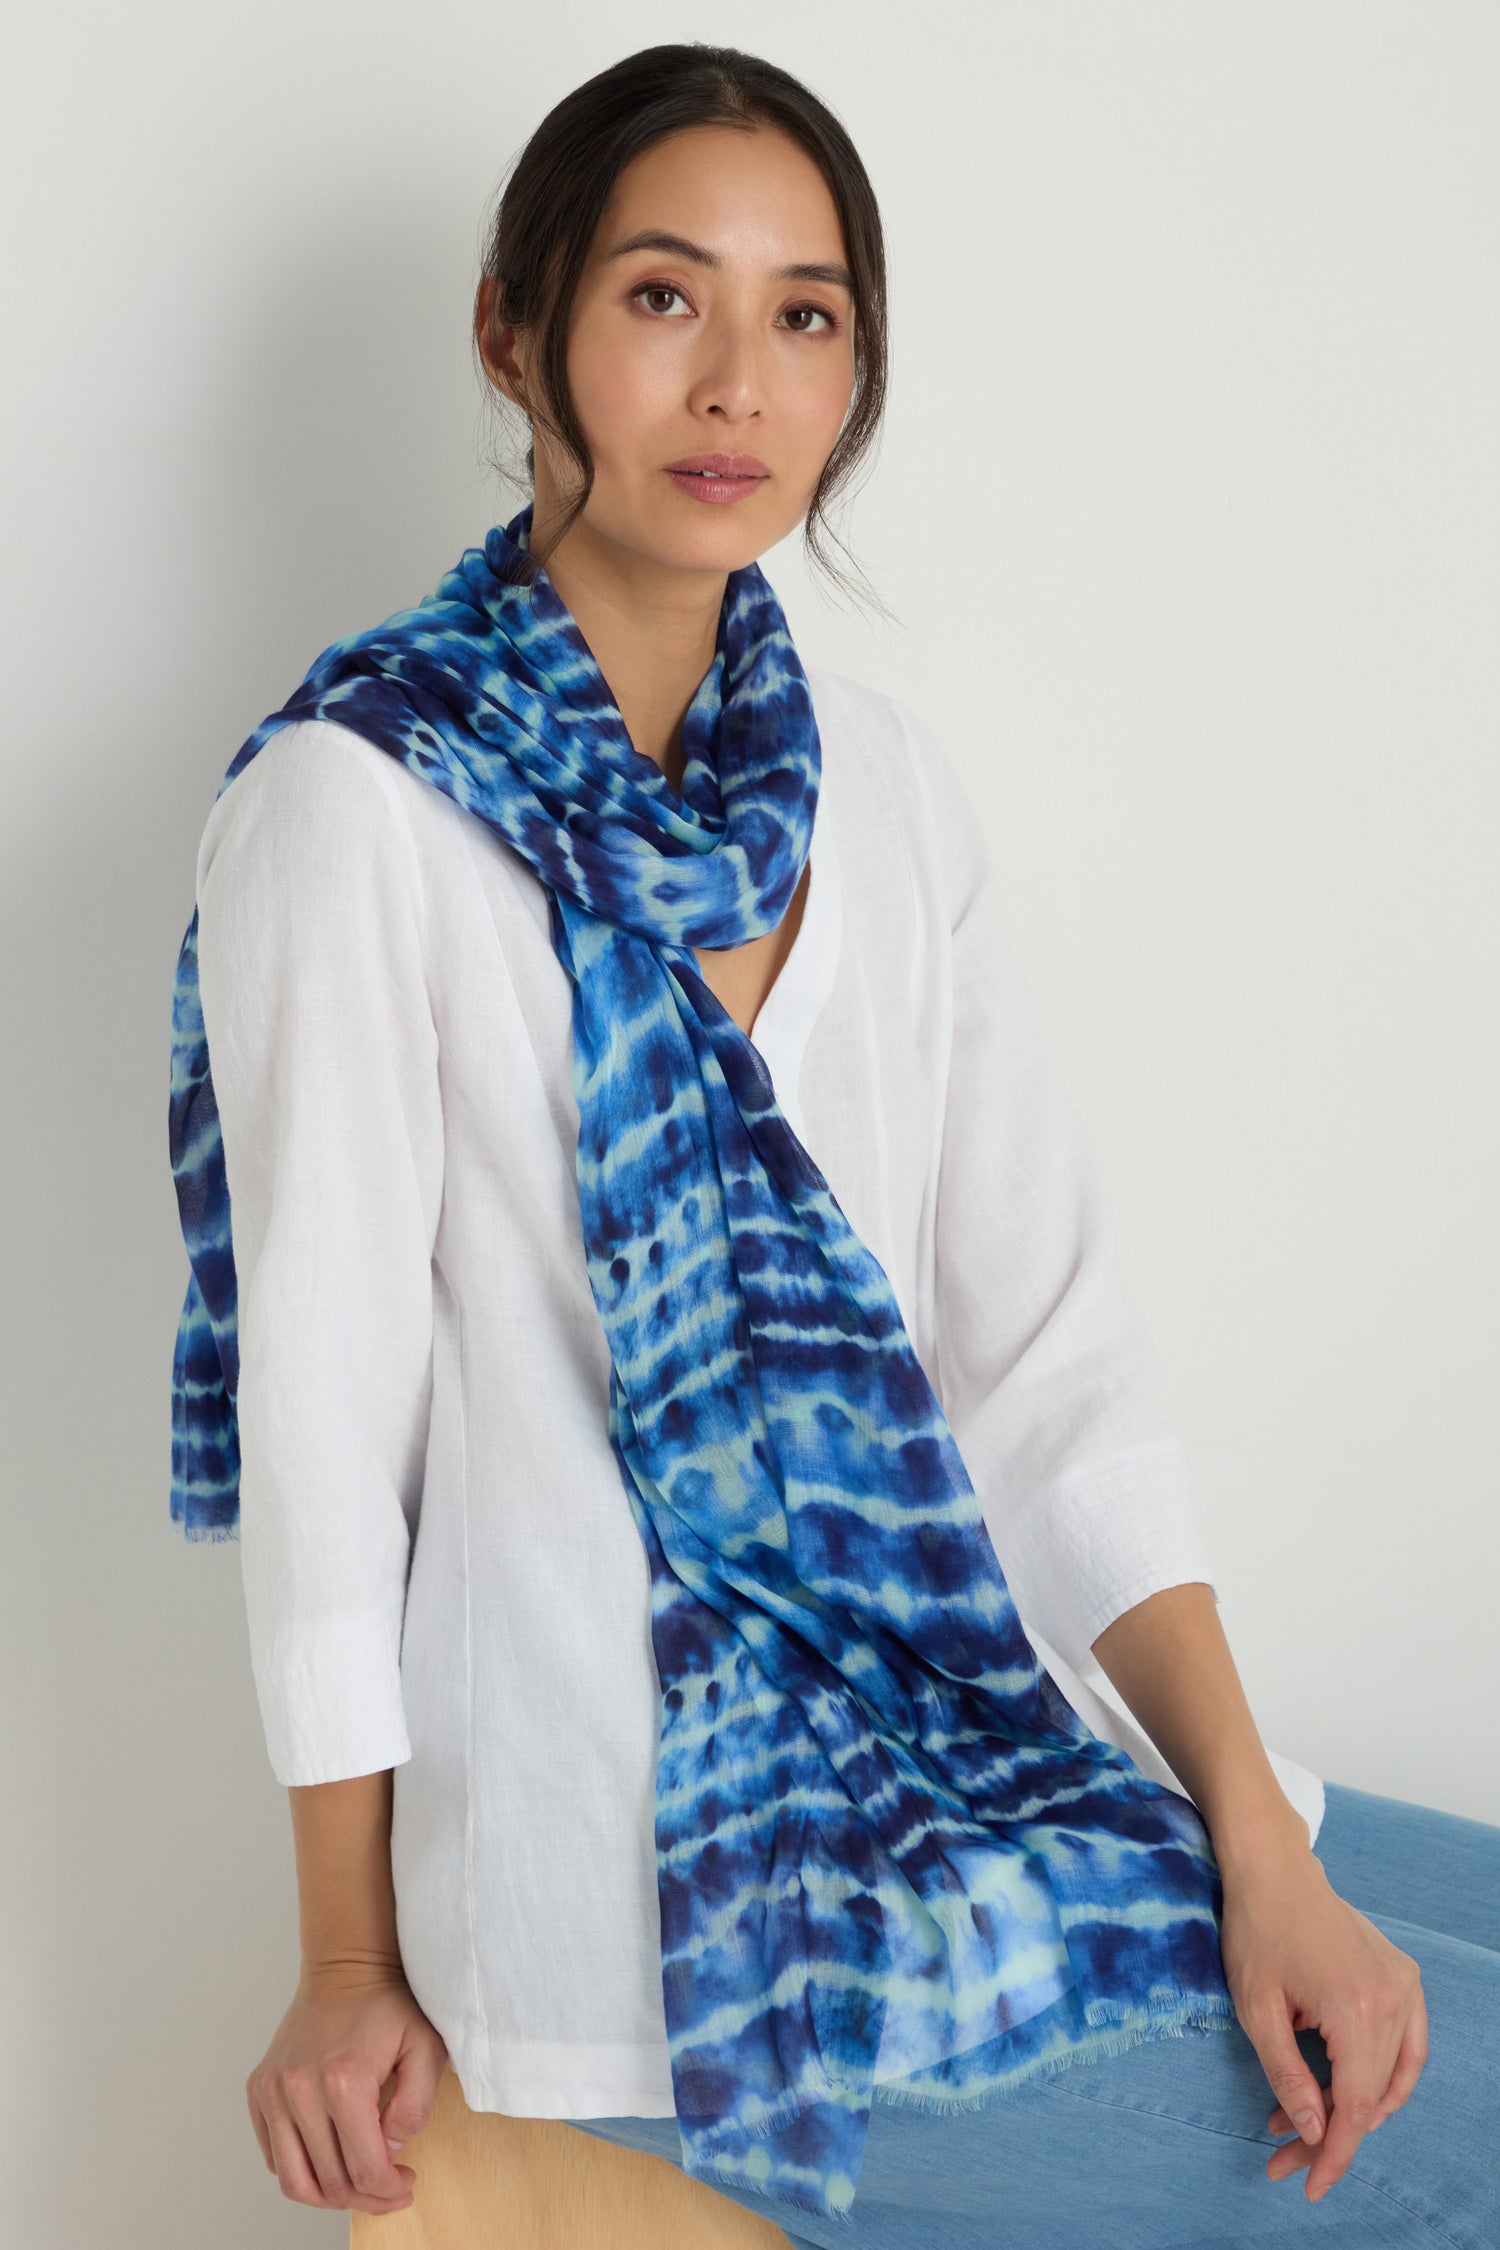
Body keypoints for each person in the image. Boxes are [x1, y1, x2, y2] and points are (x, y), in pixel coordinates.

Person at [169, 41, 1499, 2250]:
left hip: (959, 1737)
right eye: (666, 297)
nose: (739, 384)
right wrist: (340, 1963)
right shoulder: (354, 807)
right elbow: (328, 1428)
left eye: (807, 316)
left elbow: (1049, 1362)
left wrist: (1258, 1841)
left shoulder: (878, 787)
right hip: (638, 1875)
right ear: (519, 328)